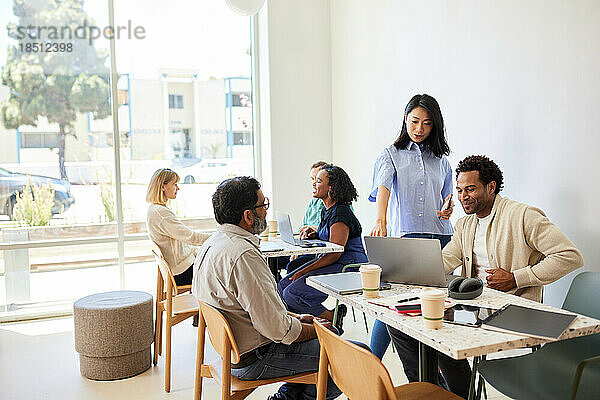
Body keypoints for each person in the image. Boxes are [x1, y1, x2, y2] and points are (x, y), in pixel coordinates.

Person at [387, 155, 584, 399]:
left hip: (513, 309)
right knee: (400, 324)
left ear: (491, 187)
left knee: (436, 332)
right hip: (471, 307)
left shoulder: (522, 215)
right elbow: (447, 259)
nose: (462, 196)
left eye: (470, 189)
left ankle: (458, 394)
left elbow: (570, 256)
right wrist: (405, 268)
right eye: (459, 190)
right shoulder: (465, 224)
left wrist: (516, 277)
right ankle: (438, 392)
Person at [191, 176, 345, 400]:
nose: (266, 209)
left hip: (231, 353)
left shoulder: (212, 244)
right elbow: (279, 331)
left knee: (333, 338)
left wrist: (297, 317)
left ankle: (286, 396)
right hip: (257, 358)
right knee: (352, 353)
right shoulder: (243, 256)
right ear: (247, 215)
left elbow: (256, 312)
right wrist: (318, 330)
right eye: (263, 205)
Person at [368, 94, 454, 360]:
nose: (419, 129)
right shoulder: (390, 155)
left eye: (427, 124)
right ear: (405, 119)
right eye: (414, 121)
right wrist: (381, 219)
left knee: (436, 305)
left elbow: (448, 197)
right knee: (394, 304)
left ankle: (436, 369)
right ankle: (371, 365)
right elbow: (383, 186)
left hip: (441, 237)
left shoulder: (441, 160)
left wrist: (449, 207)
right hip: (408, 237)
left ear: (434, 126)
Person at [278, 164, 368, 329]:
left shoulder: (341, 213)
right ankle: (308, 327)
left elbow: (336, 252)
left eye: (318, 181)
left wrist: (304, 271)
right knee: (282, 286)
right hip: (334, 260)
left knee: (291, 293)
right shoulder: (327, 210)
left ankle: (331, 321)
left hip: (347, 264)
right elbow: (331, 236)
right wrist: (317, 234)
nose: (314, 184)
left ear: (331, 187)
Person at [146, 168, 210, 286]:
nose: (178, 188)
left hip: (180, 268)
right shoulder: (160, 213)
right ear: (163, 186)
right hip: (181, 273)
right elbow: (190, 237)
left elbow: (183, 242)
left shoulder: (155, 210)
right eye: (174, 184)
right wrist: (217, 237)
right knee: (219, 273)